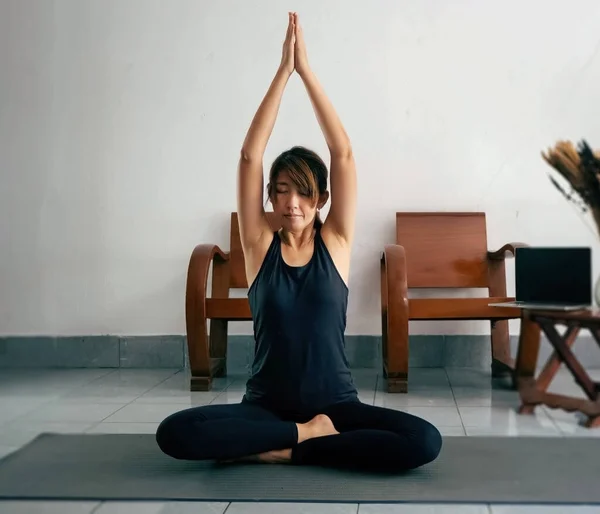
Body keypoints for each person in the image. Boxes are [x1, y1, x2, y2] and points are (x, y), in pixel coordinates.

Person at [156, 12, 442, 473]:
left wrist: (305, 72)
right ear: (270, 196)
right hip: (266, 407)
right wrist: (280, 73)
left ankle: (276, 450)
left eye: (304, 191)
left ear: (322, 198)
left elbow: (343, 152)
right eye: (282, 189)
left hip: (337, 407)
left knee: (423, 440)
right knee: (175, 431)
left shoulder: (338, 242)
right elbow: (250, 155)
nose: (292, 201)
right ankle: (303, 440)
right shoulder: (257, 245)